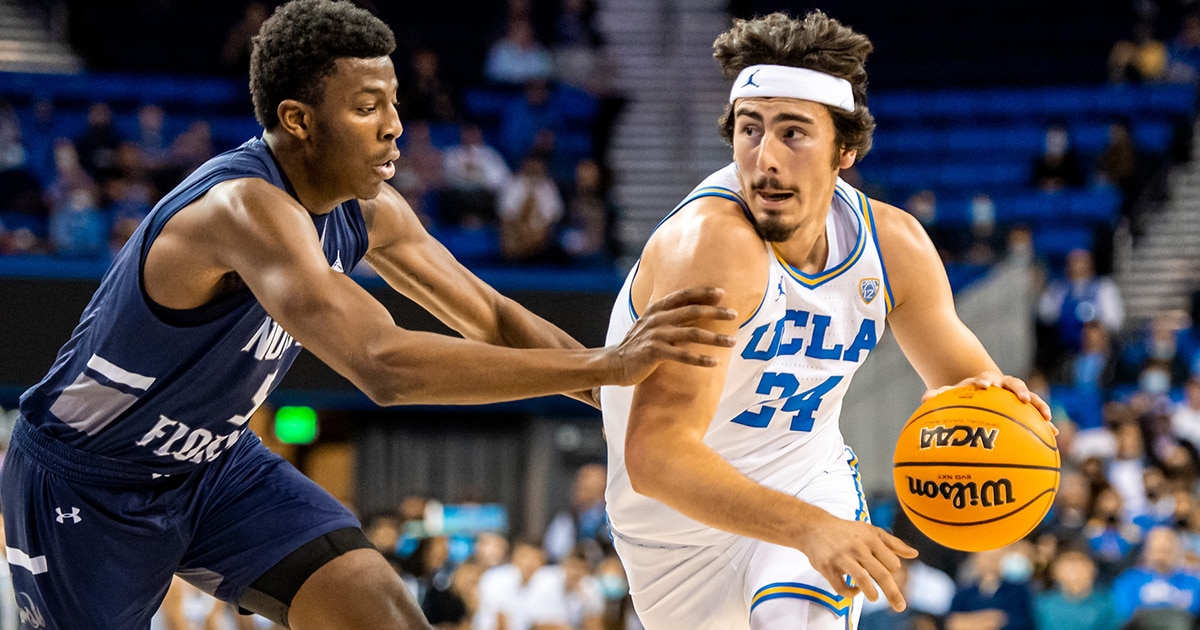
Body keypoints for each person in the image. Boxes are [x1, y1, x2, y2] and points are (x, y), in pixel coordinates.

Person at [0, 2, 738, 628]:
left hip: (214, 464)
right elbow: (384, 365)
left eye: (393, 103)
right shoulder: (242, 208)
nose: (393, 126)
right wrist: (609, 362)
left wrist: (620, 397)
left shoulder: (370, 210)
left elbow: (490, 315)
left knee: (385, 614)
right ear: (298, 120)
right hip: (88, 478)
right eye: (365, 108)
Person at [598, 11, 1052, 630]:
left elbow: (967, 387)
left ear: (846, 149)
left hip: (809, 484)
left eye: (793, 132)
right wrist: (808, 527)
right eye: (750, 130)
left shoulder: (892, 247)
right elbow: (657, 456)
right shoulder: (709, 246)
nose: (765, 157)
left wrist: (1003, 421)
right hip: (674, 529)